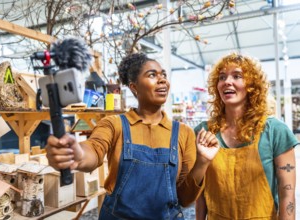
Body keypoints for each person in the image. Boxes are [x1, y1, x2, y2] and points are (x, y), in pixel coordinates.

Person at [45, 52, 219, 219]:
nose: (162, 80)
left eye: (164, 75)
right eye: (152, 75)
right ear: (134, 87)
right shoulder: (114, 124)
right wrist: (78, 155)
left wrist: (202, 162)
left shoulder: (183, 132)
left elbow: (185, 198)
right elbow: (94, 149)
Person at [195, 52, 299, 220]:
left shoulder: (275, 131)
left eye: (237, 76)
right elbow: (200, 194)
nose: (227, 81)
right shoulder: (204, 132)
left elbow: (287, 196)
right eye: (222, 77)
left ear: (253, 85)